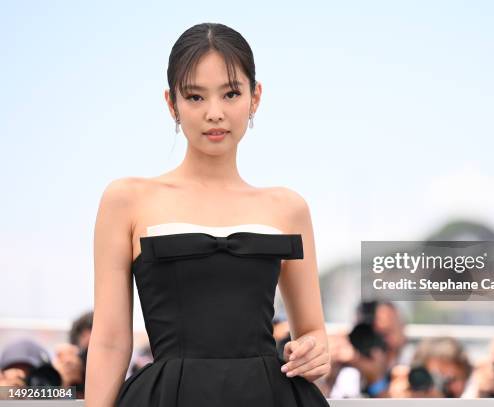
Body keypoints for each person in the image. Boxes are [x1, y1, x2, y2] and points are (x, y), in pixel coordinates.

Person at [84, 22, 331, 406]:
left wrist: (314, 351)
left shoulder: (288, 207)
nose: (214, 113)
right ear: (172, 104)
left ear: (255, 97)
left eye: (231, 93)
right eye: (195, 97)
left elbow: (313, 330)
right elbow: (111, 340)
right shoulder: (126, 200)